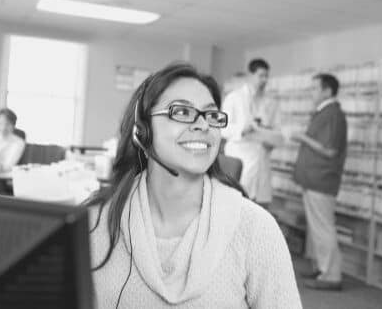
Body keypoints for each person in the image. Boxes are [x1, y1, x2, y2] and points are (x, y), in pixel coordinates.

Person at [86, 63, 302, 308]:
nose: (203, 125)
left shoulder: (256, 228)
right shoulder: (96, 222)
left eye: (211, 115)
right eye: (181, 112)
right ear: (143, 130)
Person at [292, 73, 347, 291]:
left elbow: (330, 150)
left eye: (315, 88)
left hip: (321, 181)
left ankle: (331, 275)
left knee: (323, 228)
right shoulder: (324, 112)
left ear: (327, 91)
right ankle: (322, 268)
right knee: (317, 229)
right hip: (313, 180)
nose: (311, 92)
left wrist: (301, 137)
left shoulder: (333, 114)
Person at [221, 58, 282, 209]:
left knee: (260, 210)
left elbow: (277, 131)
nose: (264, 80)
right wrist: (242, 129)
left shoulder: (270, 102)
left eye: (267, 76)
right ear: (250, 75)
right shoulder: (234, 98)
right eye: (261, 75)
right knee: (237, 206)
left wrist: (271, 142)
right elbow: (222, 128)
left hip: (262, 160)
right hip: (241, 158)